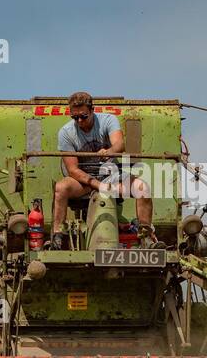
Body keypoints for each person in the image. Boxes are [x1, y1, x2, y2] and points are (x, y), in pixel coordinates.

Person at [51, 91, 157, 249]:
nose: (79, 121)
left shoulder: (108, 120)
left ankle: (145, 235)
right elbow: (73, 170)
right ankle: (58, 236)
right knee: (60, 188)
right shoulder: (65, 133)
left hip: (109, 176)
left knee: (142, 187)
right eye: (75, 117)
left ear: (92, 110)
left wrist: (110, 152)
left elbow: (120, 144)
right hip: (82, 181)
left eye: (83, 116)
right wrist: (97, 185)